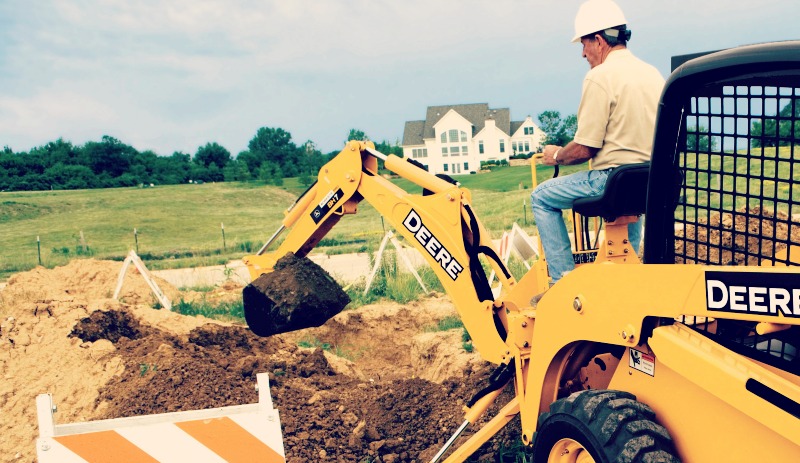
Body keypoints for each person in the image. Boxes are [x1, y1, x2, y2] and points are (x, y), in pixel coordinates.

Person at [530, 0, 665, 291]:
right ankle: (625, 282)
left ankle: (562, 284)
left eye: (584, 44)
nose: (583, 53)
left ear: (599, 41)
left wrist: (556, 155)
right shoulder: (652, 74)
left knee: (541, 197)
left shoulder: (600, 77)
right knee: (633, 203)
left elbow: (584, 149)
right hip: (649, 180)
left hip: (611, 179)